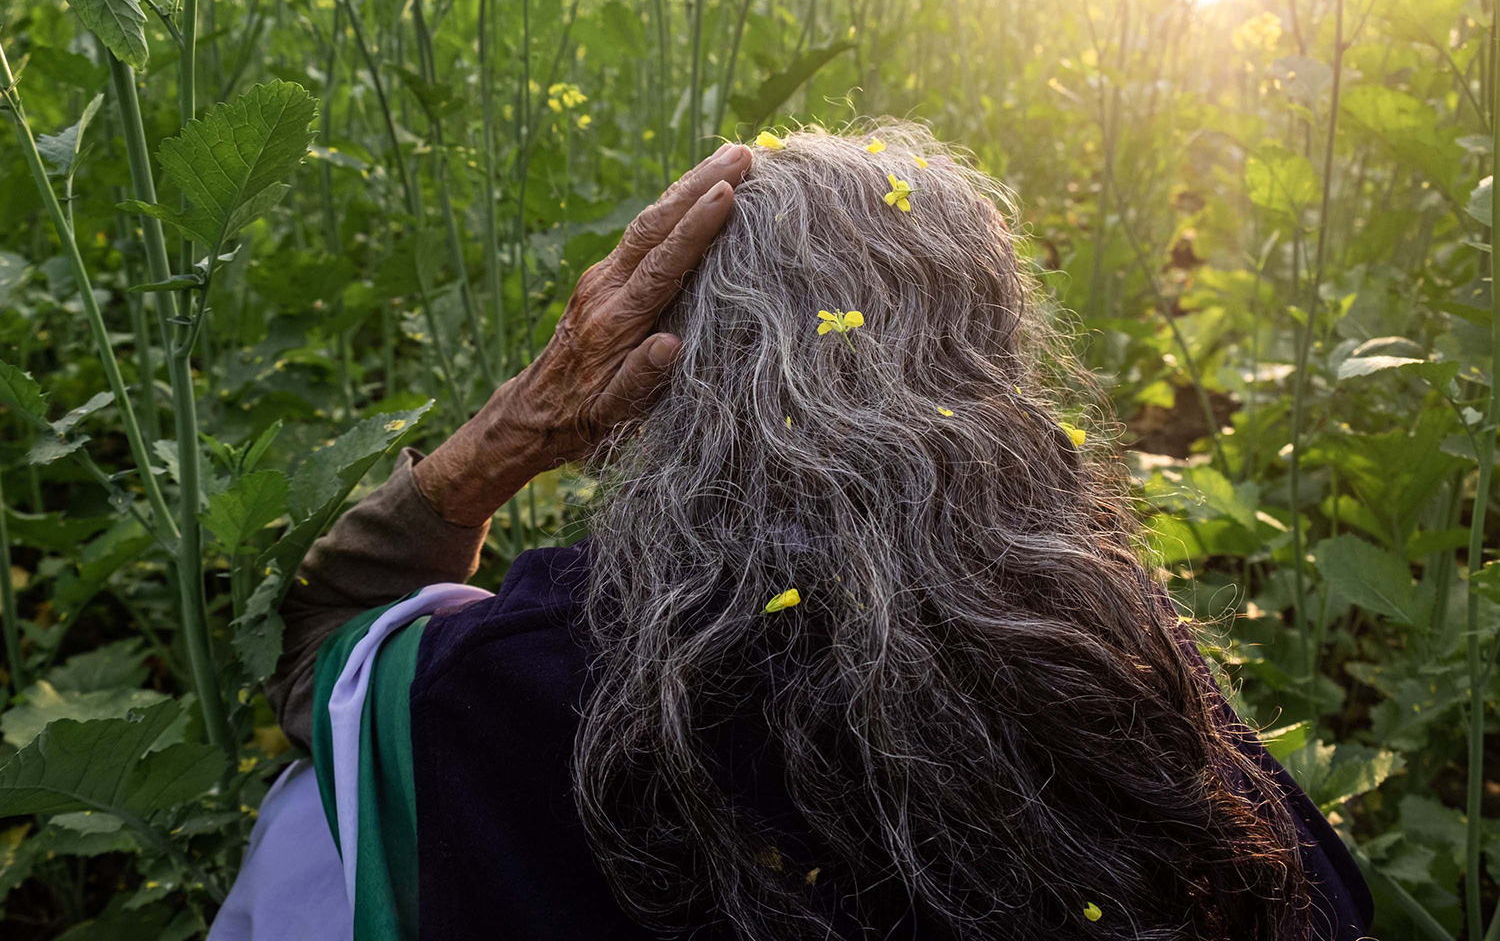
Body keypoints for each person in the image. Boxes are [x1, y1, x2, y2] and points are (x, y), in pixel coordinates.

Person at [211, 125, 1372, 941]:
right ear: (995, 370)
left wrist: (515, 429)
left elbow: (323, 637)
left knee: (313, 822)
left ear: (668, 386)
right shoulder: (1113, 674)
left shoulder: (527, 681)